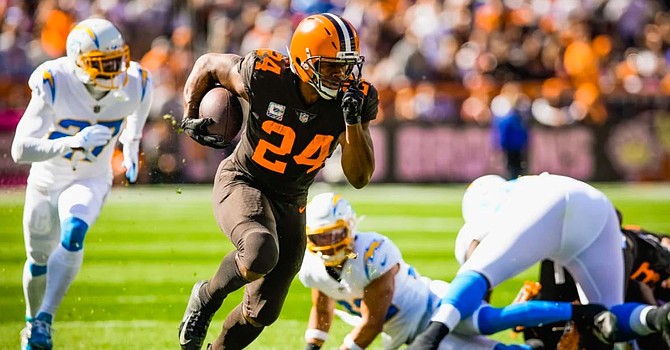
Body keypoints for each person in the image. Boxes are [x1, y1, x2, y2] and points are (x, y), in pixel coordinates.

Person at [177, 13, 377, 350]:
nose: (340, 75)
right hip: (245, 179)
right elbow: (209, 64)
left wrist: (352, 122)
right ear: (302, 60)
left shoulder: (352, 101)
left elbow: (360, 177)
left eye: (345, 66)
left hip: (292, 197)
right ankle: (207, 296)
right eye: (329, 66)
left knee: (263, 311)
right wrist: (189, 112)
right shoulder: (266, 74)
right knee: (258, 252)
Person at [298, 192, 619, 350]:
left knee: (492, 319)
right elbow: (321, 307)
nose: (327, 245)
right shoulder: (313, 267)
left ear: (350, 227)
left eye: (334, 234)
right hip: (408, 332)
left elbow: (373, 321)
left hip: (432, 306)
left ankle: (584, 312)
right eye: (319, 237)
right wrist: (313, 347)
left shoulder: (374, 253)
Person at [10, 17, 153, 350]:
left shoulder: (138, 81)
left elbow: (139, 106)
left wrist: (130, 147)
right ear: (79, 62)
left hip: (90, 176)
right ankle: (32, 321)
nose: (116, 71)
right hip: (47, 177)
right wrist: (72, 142)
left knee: (74, 231)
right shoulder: (54, 80)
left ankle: (44, 320)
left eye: (118, 61)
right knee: (38, 256)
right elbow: (20, 150)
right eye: (104, 64)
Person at [408, 173, 670, 350]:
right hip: (596, 205)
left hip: (550, 204)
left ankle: (430, 336)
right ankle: (659, 317)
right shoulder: (523, 185)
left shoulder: (489, 208)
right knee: (607, 317)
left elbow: (474, 273)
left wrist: (435, 333)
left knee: (476, 275)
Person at [522, 213, 670, 350]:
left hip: (642, 286)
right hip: (615, 268)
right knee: (545, 322)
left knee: (607, 318)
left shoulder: (641, 247)